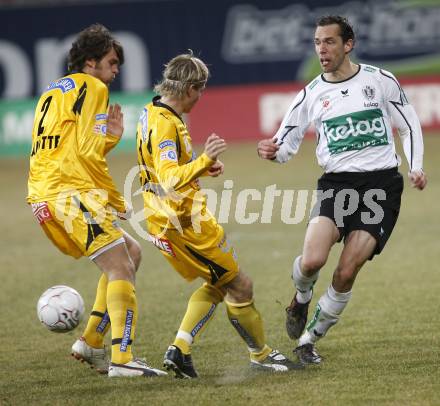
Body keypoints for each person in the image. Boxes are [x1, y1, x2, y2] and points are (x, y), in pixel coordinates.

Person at [257, 15, 427, 364]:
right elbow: (284, 144)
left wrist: (416, 166)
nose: (322, 48)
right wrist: (272, 152)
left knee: (347, 270)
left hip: (381, 187)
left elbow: (408, 126)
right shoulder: (311, 94)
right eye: (318, 42)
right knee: (312, 262)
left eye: (330, 41)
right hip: (336, 185)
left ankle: (308, 340)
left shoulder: (380, 81)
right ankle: (301, 298)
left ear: (348, 45)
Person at [136, 51, 303, 378]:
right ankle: (261, 355)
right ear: (189, 88)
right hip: (183, 223)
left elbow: (159, 169)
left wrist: (202, 167)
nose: (201, 97)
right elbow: (169, 176)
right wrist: (202, 161)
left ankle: (180, 349)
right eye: (200, 90)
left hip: (165, 217)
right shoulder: (166, 122)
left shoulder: (153, 110)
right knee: (240, 286)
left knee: (217, 281)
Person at [27, 23, 166, 378]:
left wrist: (109, 139)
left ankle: (91, 340)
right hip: (70, 191)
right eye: (112, 62)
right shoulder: (92, 87)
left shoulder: (51, 92)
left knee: (130, 252)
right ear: (90, 63)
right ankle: (123, 358)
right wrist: (115, 198)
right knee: (119, 266)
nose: (116, 70)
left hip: (44, 193)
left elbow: (72, 147)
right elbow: (87, 156)